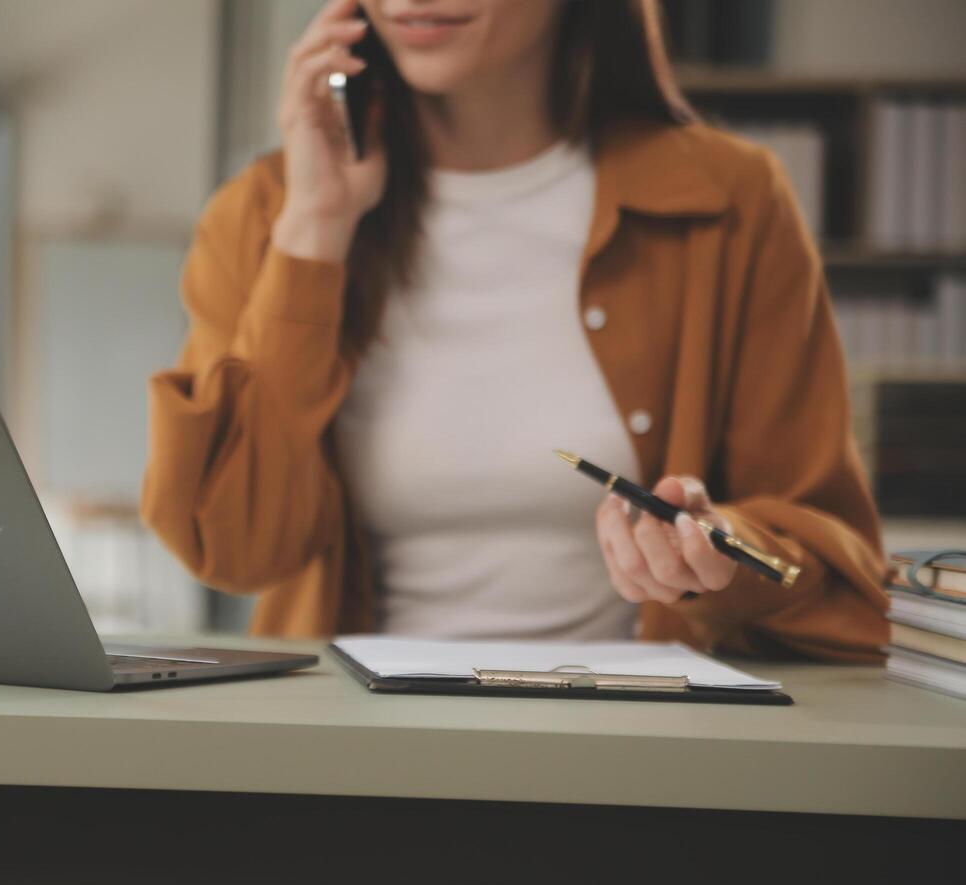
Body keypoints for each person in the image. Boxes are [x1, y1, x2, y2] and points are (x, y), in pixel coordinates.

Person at [140, 0, 888, 662]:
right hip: (354, 753)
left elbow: (832, 565)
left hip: (642, 756)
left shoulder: (732, 201)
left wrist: (718, 554)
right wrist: (313, 231)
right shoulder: (269, 211)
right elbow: (232, 547)